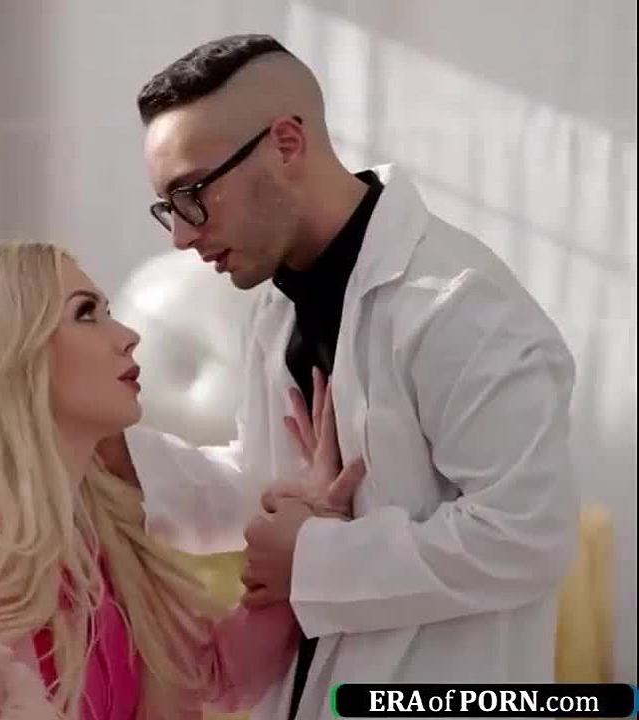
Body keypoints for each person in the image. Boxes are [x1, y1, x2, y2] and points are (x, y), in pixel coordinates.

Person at [103, 34, 580, 720]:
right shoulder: (276, 306)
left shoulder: (460, 305)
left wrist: (313, 560)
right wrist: (121, 462)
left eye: (193, 194)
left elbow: (525, 536)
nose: (181, 234)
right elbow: (267, 484)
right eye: (167, 206)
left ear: (287, 143)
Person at [0, 241, 362, 720]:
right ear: (11, 352)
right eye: (87, 313)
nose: (128, 336)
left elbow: (206, 673)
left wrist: (302, 544)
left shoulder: (104, 531)